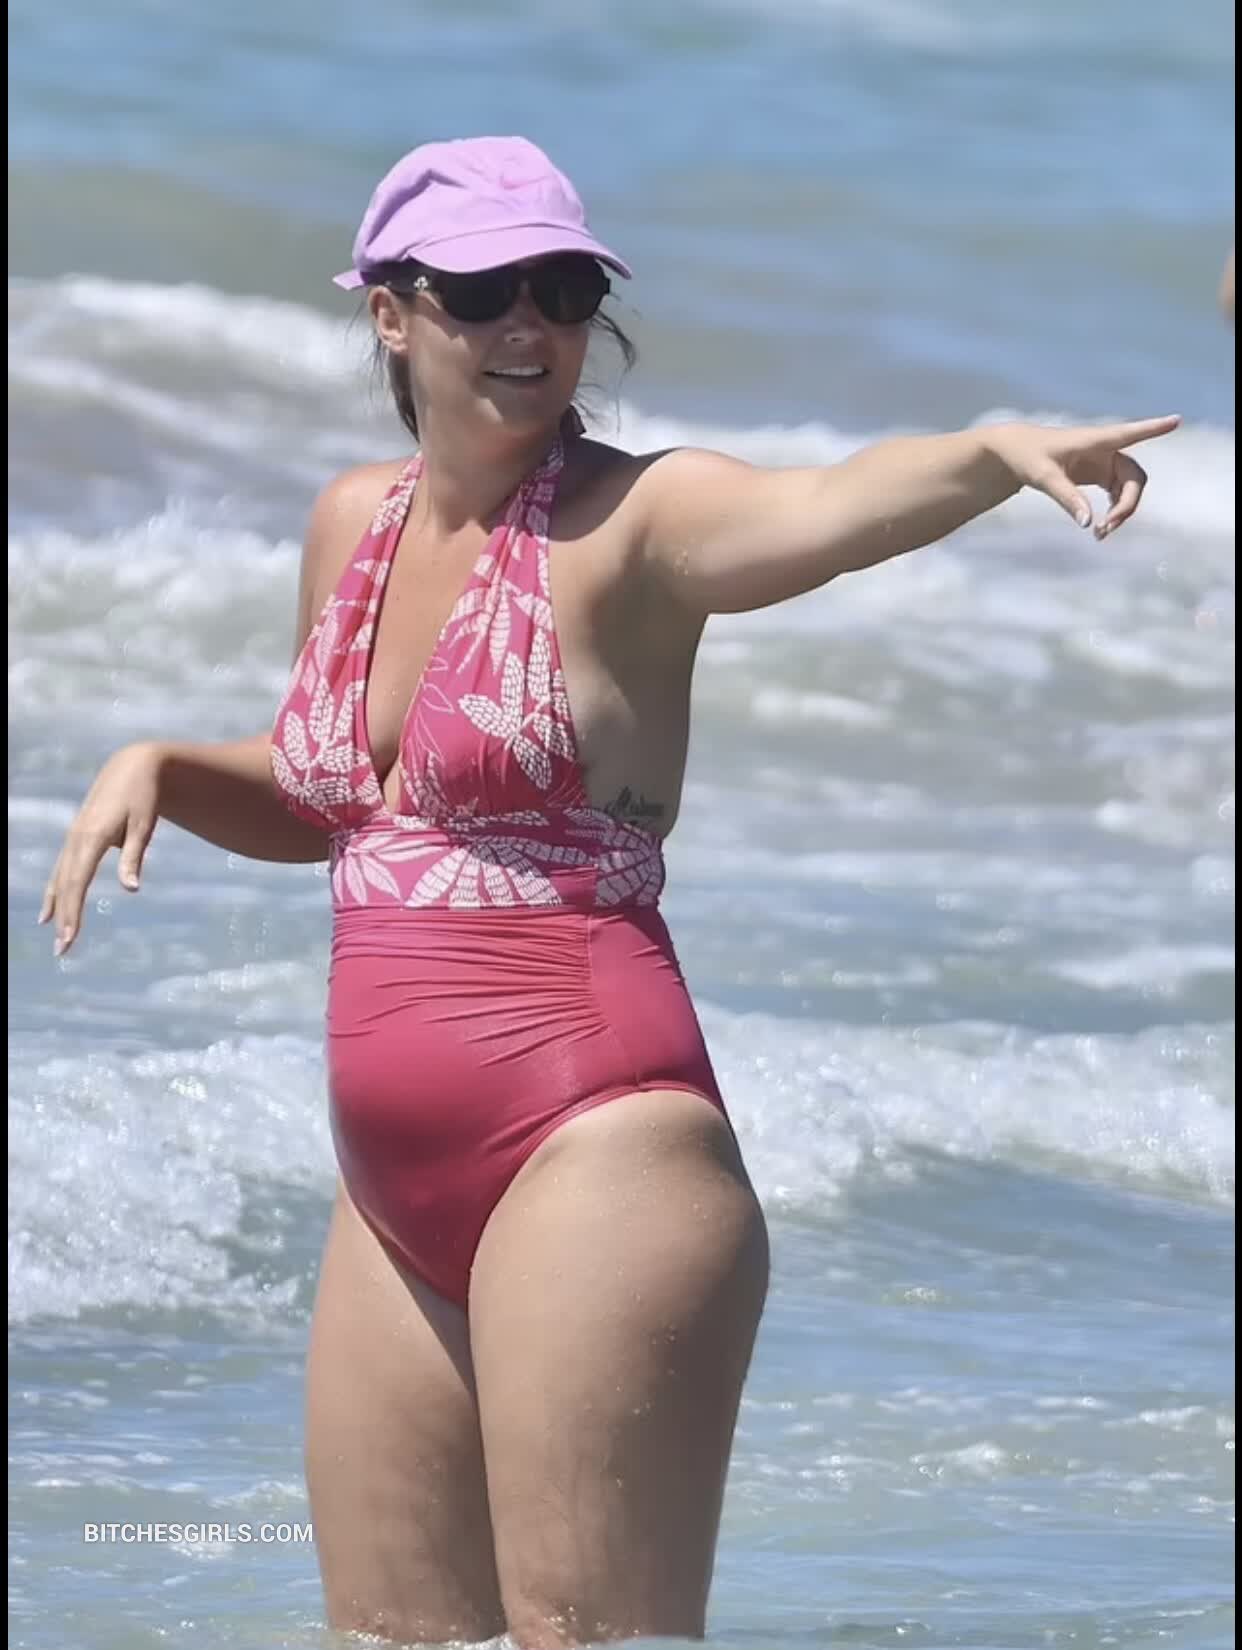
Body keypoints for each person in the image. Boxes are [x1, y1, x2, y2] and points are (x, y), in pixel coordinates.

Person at [40, 135, 1180, 1649]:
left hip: (595, 1147)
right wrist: (172, 767)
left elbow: (822, 506)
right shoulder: (351, 521)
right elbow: (351, 802)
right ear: (392, 313)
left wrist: (981, 457)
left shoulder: (635, 523)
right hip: (391, 1199)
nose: (529, 324)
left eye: (564, 290)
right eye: (483, 291)